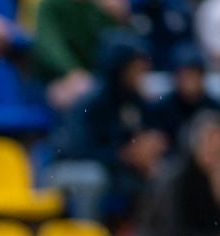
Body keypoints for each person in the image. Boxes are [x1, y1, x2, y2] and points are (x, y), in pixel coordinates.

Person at [49, 33, 165, 222]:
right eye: (136, 67)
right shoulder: (91, 102)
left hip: (113, 169)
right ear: (120, 68)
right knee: (93, 177)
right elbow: (78, 150)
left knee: (160, 175)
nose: (142, 72)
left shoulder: (135, 99)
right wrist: (125, 155)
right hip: (63, 169)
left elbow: (145, 138)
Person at [31, 0, 121, 111]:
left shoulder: (97, 9)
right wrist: (72, 70)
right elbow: (49, 44)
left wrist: (120, 17)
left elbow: (111, 48)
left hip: (92, 80)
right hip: (54, 81)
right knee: (83, 93)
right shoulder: (52, 4)